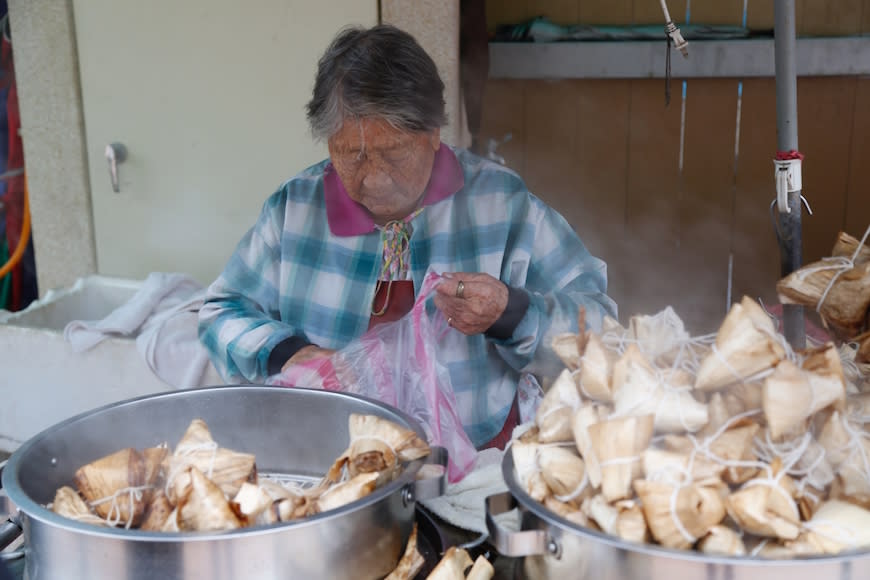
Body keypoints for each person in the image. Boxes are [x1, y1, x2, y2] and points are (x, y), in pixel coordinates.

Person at [198, 24, 616, 450]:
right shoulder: (295, 211)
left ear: (434, 133)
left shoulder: (503, 206)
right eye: (352, 155)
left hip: (467, 463)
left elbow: (600, 328)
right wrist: (287, 352)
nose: (375, 179)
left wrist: (512, 313)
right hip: (330, 461)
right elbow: (221, 313)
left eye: (394, 153)